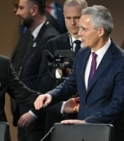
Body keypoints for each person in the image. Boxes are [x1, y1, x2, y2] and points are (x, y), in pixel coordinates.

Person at [34, 5, 124, 141]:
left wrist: (88, 122)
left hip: (110, 134)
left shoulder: (122, 61)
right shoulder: (82, 53)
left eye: (84, 29)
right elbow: (70, 83)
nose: (79, 33)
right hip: (83, 133)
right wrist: (51, 95)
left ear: (100, 31)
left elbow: (118, 104)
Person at [12, 0, 60, 141]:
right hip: (25, 118)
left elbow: (51, 82)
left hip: (38, 122)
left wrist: (34, 113)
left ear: (33, 10)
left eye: (21, 8)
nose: (17, 12)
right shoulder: (30, 36)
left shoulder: (50, 38)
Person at [38, 0, 88, 133]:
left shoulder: (94, 45)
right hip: (58, 117)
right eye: (68, 18)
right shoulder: (53, 45)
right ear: (63, 16)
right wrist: (59, 73)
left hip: (88, 117)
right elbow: (42, 83)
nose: (72, 23)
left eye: (77, 18)